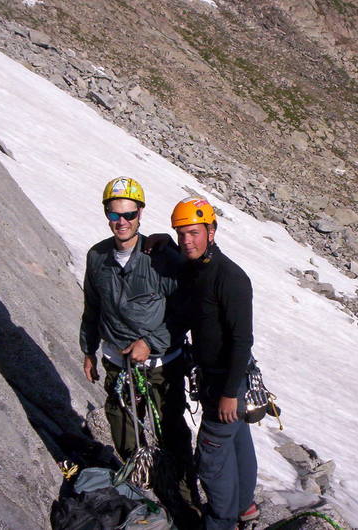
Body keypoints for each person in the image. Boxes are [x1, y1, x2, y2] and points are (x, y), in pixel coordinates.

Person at [79, 177, 197, 525]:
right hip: (117, 365)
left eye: (129, 214)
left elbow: (183, 310)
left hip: (161, 366)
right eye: (115, 215)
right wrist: (88, 350)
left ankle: (188, 511)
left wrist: (151, 341)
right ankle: (147, 501)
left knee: (172, 437)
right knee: (126, 438)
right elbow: (92, 307)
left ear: (140, 213)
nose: (122, 222)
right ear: (106, 214)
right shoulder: (97, 257)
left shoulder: (161, 258)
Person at [170, 197, 259, 530]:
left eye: (193, 232)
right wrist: (161, 242)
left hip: (227, 382)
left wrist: (229, 394)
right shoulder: (199, 268)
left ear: (211, 231)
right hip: (216, 379)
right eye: (180, 234)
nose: (186, 241)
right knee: (238, 442)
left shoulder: (230, 278)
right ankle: (244, 507)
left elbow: (241, 340)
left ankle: (220, 522)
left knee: (211, 456)